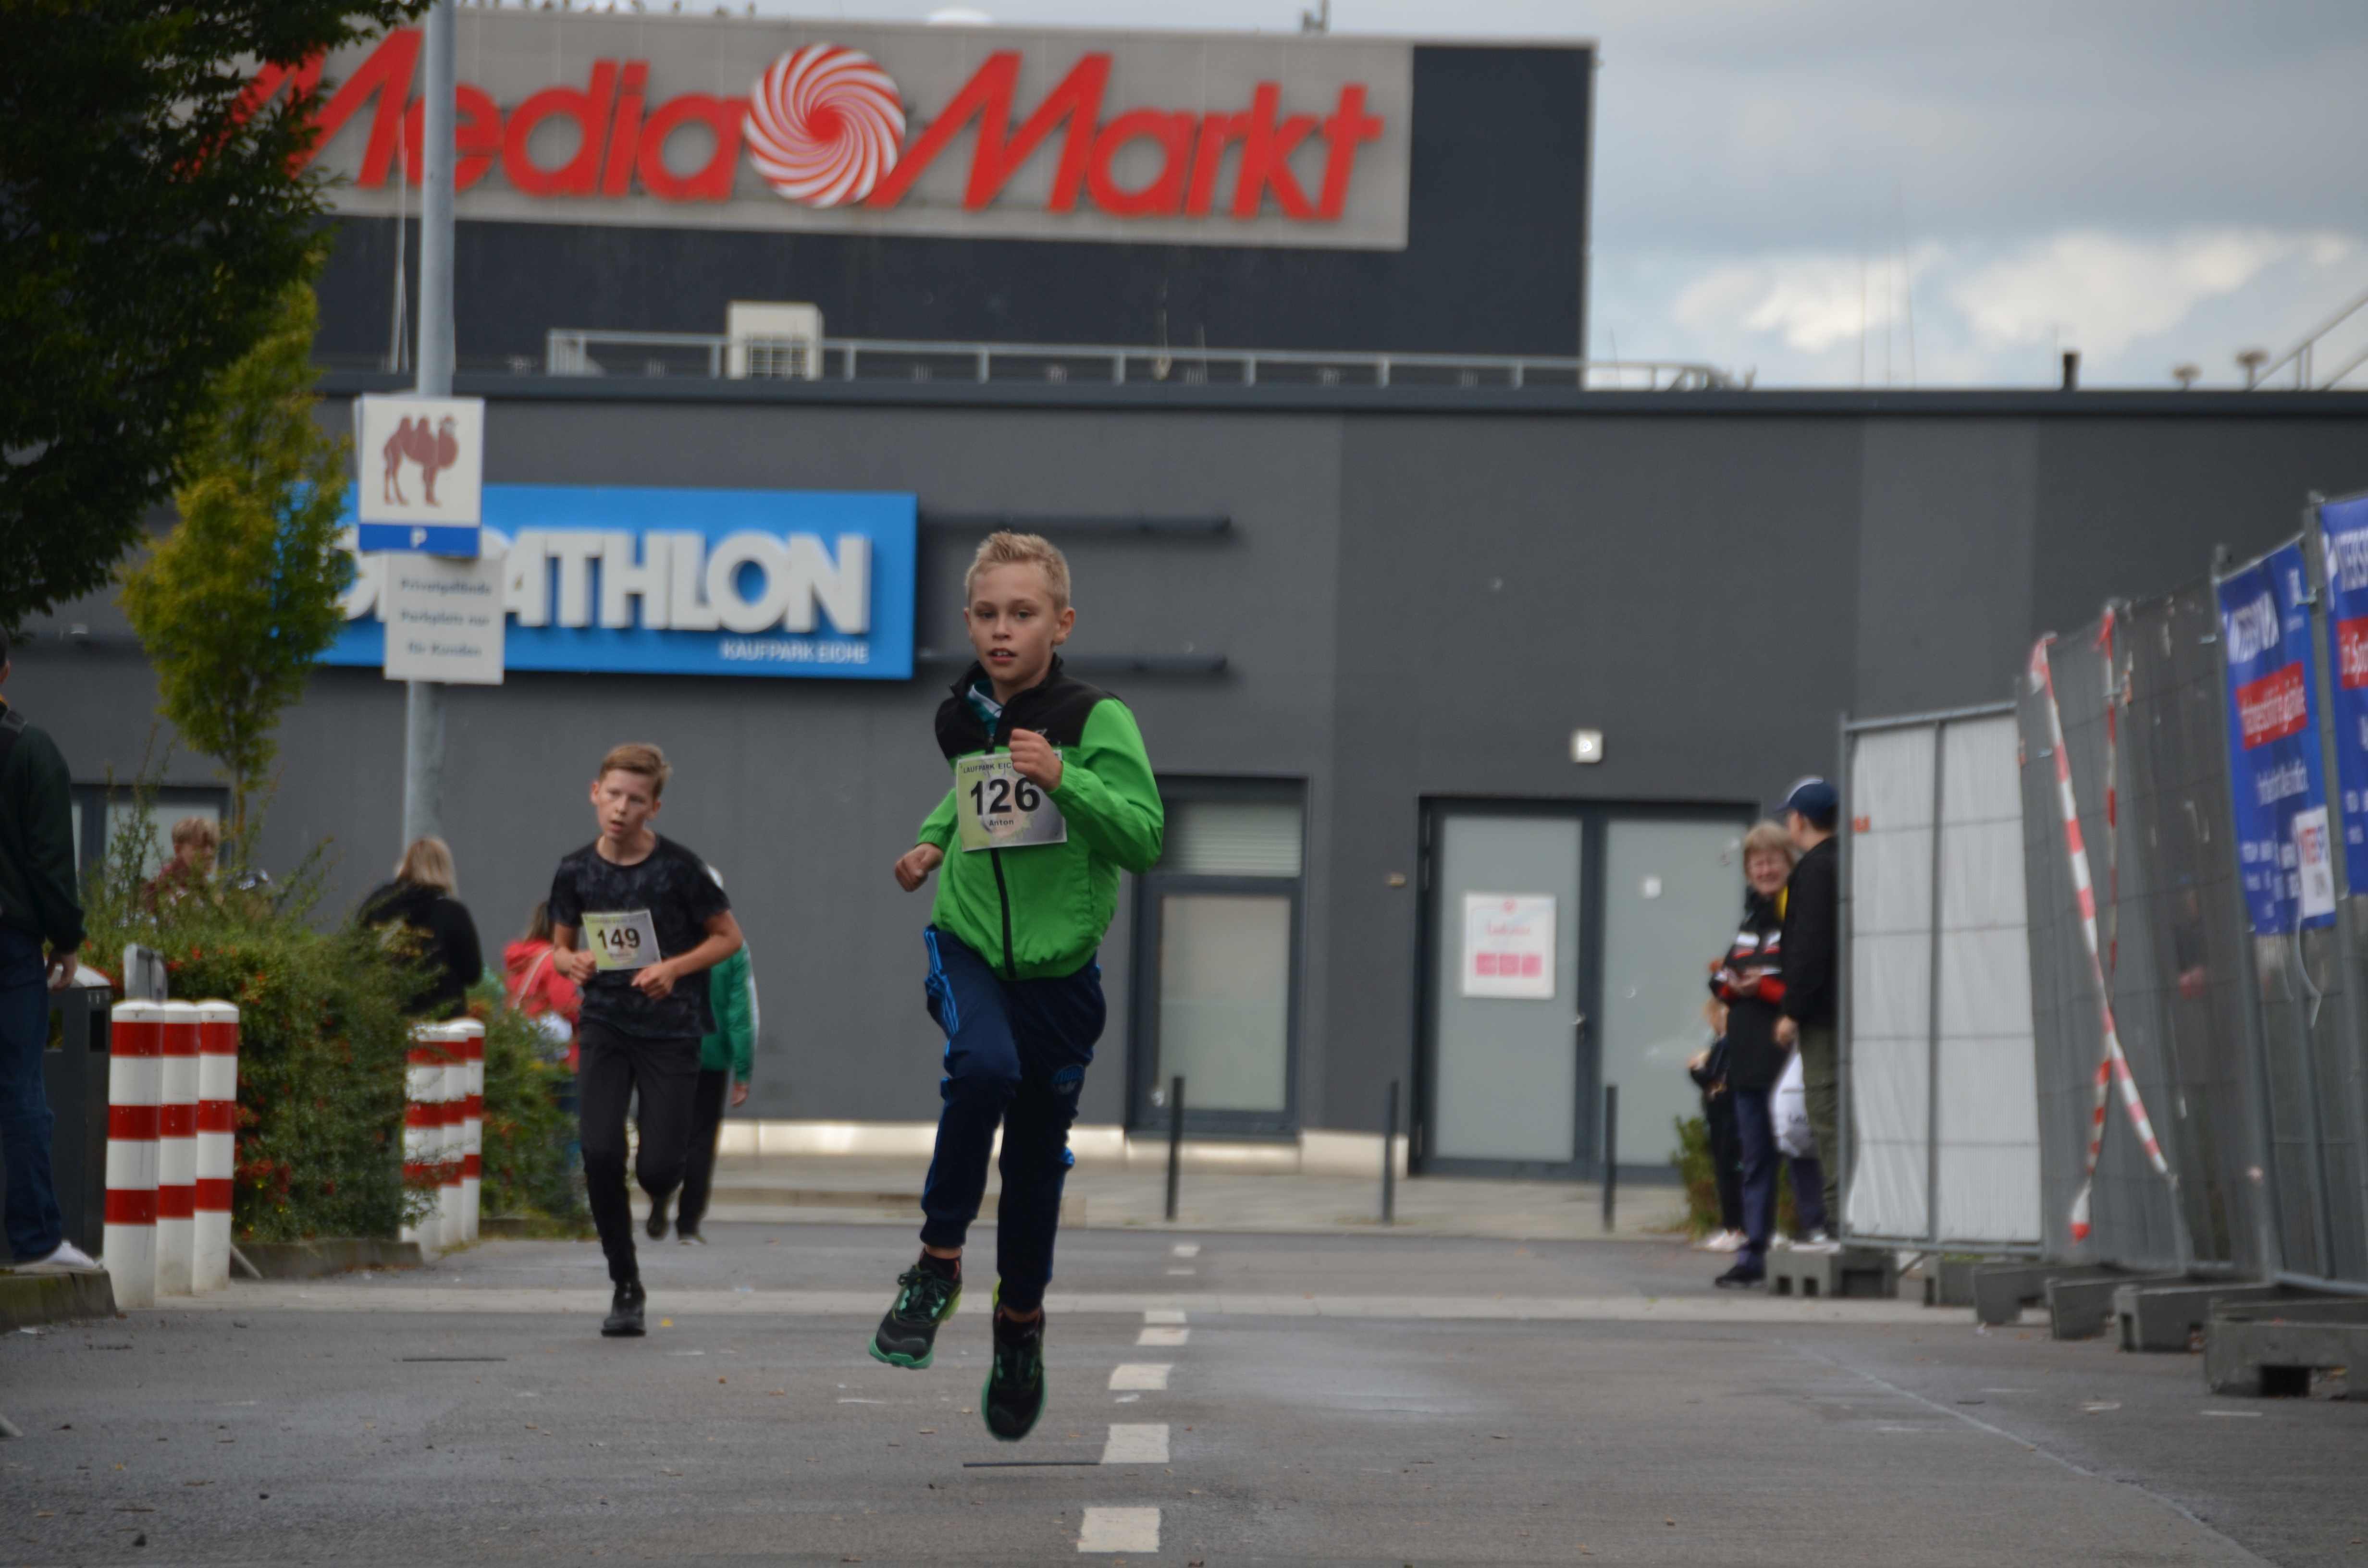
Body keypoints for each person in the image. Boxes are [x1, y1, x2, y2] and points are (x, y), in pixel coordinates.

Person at [872, 531, 1163, 1444]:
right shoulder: (959, 715)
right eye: (989, 614)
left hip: (1061, 975)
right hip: (966, 943)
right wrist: (931, 841)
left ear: (1060, 624)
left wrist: (1066, 776)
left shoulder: (1096, 717)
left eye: (1023, 614)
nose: (1003, 630)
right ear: (968, 621)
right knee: (982, 1065)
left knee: (1035, 1164)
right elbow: (976, 793)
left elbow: (1144, 837)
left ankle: (1020, 1326)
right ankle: (936, 1263)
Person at [548, 743, 743, 1338]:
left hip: (670, 1030)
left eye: (635, 800)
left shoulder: (680, 869)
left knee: (658, 1168)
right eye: (613, 795)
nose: (621, 809)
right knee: (600, 1152)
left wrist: (673, 969)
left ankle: (661, 1196)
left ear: (653, 807)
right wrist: (573, 962)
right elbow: (558, 948)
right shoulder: (575, 870)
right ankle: (625, 1284)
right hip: (605, 1023)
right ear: (594, 793)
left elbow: (728, 938)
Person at [0, 630, 101, 1273]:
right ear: (6, 670)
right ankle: (36, 1240)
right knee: (20, 1087)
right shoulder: (30, 750)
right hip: (8, 944)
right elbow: (50, 863)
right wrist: (66, 939)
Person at [1711, 821, 1827, 1288]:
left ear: (1788, 863)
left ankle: (1816, 1237)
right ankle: (1752, 1253)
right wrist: (1731, 985)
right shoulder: (1747, 923)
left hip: (1789, 1059)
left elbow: (1807, 982)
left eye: (1772, 861)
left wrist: (1764, 988)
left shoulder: (1797, 917)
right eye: (1756, 863)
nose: (1764, 870)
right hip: (1746, 1060)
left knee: (1800, 1149)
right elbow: (1722, 980)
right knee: (1756, 1160)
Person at [1774, 776, 1843, 1243]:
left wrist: (1792, 1010)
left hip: (1823, 1016)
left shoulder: (1815, 870)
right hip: (1849, 1011)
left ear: (1799, 820)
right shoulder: (1846, 862)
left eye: (1789, 817)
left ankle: (1838, 1220)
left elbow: (1810, 948)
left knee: (1825, 1110)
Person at [674, 870, 756, 1246]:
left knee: (665, 1130)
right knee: (702, 1138)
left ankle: (659, 1200)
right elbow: (741, 1012)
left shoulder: (668, 942)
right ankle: (688, 1223)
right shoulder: (734, 947)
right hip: (713, 1055)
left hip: (668, 1053)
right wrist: (743, 1070)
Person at [359, 837, 485, 1022]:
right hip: (439, 1022)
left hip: (382, 1019)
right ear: (445, 869)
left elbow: (355, 952)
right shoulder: (453, 913)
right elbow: (472, 974)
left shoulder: (377, 903)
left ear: (406, 864)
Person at [1687, 1020, 1744, 1254]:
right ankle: (1732, 1227)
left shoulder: (1728, 1042)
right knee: (1726, 1171)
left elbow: (1716, 1080)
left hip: (1727, 1115)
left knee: (1730, 1172)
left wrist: (1696, 1069)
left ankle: (1736, 1228)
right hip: (1723, 1114)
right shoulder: (1722, 1042)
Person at [503, 900, 582, 1069]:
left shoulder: (520, 959)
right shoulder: (554, 960)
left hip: (523, 1049)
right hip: (556, 1060)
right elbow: (567, 1006)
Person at [142, 816, 218, 911]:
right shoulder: (164, 894)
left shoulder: (210, 895)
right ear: (178, 850)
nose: (209, 854)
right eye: (200, 847)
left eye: (213, 847)